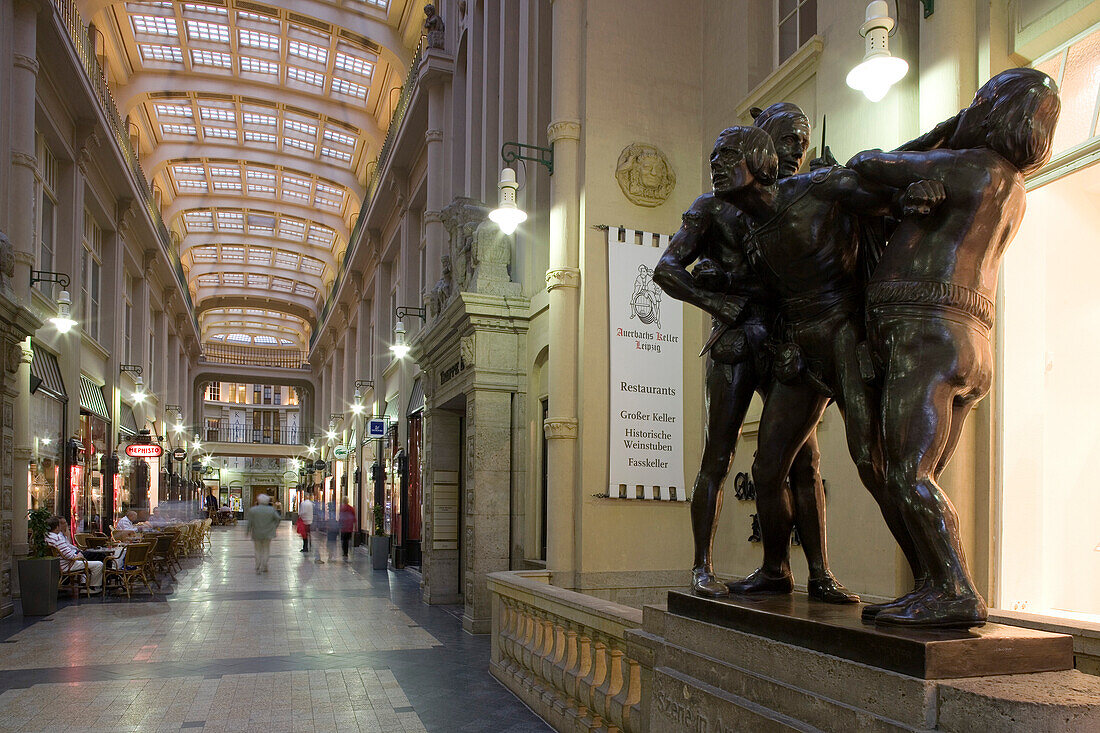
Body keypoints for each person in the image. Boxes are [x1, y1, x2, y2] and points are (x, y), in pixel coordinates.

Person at [846, 68, 1060, 627]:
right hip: (968, 339)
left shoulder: (971, 166)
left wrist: (943, 131)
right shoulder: (1012, 185)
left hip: (926, 332)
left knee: (904, 474)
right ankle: (936, 584)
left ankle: (956, 590)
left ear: (991, 110)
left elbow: (866, 162)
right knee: (920, 475)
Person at [653, 103, 855, 603]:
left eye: (801, 143)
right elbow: (667, 267)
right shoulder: (713, 206)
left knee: (805, 461)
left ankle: (817, 573)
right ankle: (701, 566)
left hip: (785, 341)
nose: (795, 152)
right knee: (717, 457)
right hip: (737, 341)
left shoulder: (796, 198)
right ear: (760, 143)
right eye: (787, 140)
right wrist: (715, 297)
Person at [46, 516, 103, 594]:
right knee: (99, 564)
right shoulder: (57, 538)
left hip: (60, 564)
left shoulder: (47, 537)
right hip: (68, 565)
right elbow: (69, 555)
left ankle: (85, 583)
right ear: (57, 527)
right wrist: (78, 556)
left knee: (90, 558)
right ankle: (92, 588)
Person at [245, 494, 281, 574]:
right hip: (268, 533)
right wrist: (275, 526)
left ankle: (257, 565)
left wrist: (247, 531)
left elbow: (249, 522)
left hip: (256, 532)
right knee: (266, 549)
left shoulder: (253, 510)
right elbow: (278, 518)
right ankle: (264, 565)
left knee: (257, 550)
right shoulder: (271, 510)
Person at [338, 497, 357, 562]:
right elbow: (354, 518)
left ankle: (345, 552)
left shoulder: (342, 508)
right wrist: (355, 526)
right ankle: (346, 551)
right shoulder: (351, 508)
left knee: (344, 540)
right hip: (349, 527)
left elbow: (340, 517)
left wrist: (339, 525)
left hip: (344, 527)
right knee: (347, 540)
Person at [297, 490, 315, 556]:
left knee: (304, 535)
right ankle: (309, 546)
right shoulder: (311, 504)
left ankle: (305, 547)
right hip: (310, 521)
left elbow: (301, 512)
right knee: (308, 534)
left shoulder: (303, 504)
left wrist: (300, 517)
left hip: (304, 521)